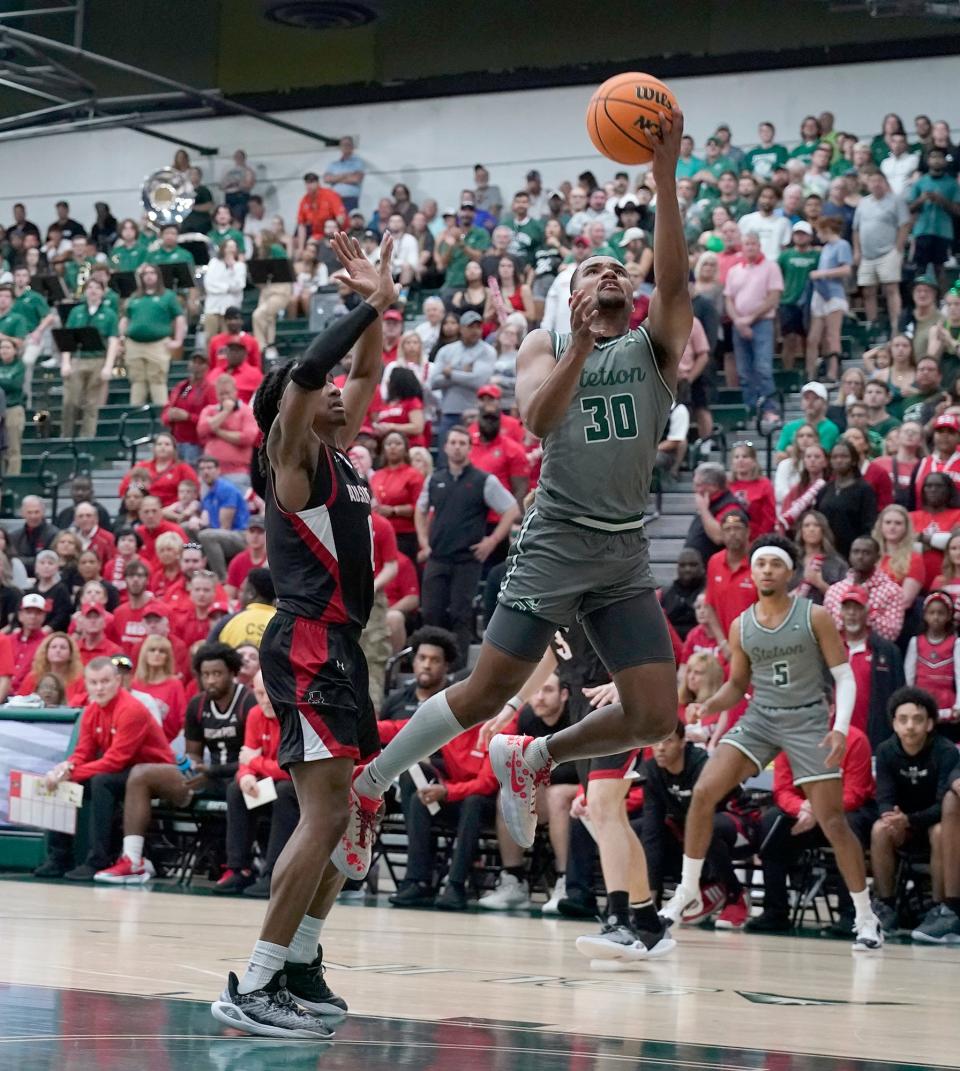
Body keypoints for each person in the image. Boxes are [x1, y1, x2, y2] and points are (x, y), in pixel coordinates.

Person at [336, 109, 691, 964]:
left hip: (621, 547)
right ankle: (372, 783)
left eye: (620, 266)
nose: (614, 272)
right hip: (557, 537)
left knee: (652, 713)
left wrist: (666, 178)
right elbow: (535, 416)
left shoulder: (654, 347)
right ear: (571, 299)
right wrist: (573, 341)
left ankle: (535, 756)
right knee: (482, 688)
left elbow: (675, 283)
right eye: (596, 268)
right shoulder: (543, 346)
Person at [207, 232, 395, 1037]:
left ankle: (301, 961)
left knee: (353, 813)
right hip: (310, 641)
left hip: (343, 644)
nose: (337, 396)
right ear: (292, 404)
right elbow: (320, 369)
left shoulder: (342, 453)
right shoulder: (291, 456)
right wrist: (365, 305)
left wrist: (381, 301)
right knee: (321, 817)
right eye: (315, 392)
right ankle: (254, 983)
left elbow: (367, 370)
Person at [666, 535, 883, 949]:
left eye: (774, 564)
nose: (766, 569)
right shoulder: (741, 625)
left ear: (789, 572)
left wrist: (839, 727)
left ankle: (866, 917)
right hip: (760, 718)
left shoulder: (814, 615)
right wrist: (707, 704)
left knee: (833, 821)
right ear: (752, 571)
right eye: (760, 563)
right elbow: (736, 686)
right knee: (703, 793)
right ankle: (687, 890)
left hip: (807, 720)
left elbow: (844, 676)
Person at [94, 642, 257, 885]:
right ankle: (134, 860)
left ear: (232, 673)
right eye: (205, 675)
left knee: (241, 786)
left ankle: (243, 865)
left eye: (217, 674)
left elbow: (254, 758)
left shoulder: (249, 702)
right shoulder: (198, 705)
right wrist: (190, 768)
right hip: (211, 777)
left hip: (245, 777)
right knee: (140, 774)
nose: (211, 680)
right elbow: (194, 754)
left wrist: (212, 771)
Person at [748, 724, 877, 933]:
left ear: (833, 709)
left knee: (850, 826)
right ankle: (775, 911)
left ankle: (851, 913)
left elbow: (856, 793)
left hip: (846, 812)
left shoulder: (855, 739)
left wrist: (821, 809)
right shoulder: (787, 740)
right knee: (772, 824)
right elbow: (782, 791)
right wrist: (801, 807)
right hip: (804, 813)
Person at [415, 427, 520, 663]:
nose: (457, 447)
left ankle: (457, 670)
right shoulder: (434, 479)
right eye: (452, 442)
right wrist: (424, 542)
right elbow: (420, 510)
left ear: (470, 448)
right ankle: (431, 663)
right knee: (431, 612)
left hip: (467, 560)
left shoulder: (484, 480)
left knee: (461, 615)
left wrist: (492, 542)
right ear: (445, 447)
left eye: (462, 443)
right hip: (437, 557)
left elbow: (511, 509)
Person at [870, 687, 959, 933]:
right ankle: (885, 906)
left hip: (933, 823)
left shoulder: (946, 751)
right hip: (903, 826)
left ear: (930, 724)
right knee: (880, 828)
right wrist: (893, 819)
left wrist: (909, 820)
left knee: (940, 831)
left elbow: (945, 806)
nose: (910, 726)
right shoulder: (885, 751)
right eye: (903, 720)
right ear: (894, 724)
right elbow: (884, 798)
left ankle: (941, 908)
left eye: (918, 720)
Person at [216, 671, 300, 898]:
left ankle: (273, 874)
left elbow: (292, 770)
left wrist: (254, 762)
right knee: (237, 790)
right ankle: (239, 869)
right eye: (259, 694)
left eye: (269, 694)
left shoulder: (296, 716)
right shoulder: (255, 714)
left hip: (301, 790)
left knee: (285, 791)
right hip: (270, 785)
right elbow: (245, 758)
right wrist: (246, 776)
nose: (264, 700)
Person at [723, 232, 783, 429]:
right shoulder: (734, 270)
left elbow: (773, 297)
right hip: (738, 324)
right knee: (744, 371)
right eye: (747, 244)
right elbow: (728, 299)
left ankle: (770, 409)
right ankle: (751, 410)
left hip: (762, 323)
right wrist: (739, 321)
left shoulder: (770, 267)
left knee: (763, 368)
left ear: (759, 245)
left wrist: (750, 318)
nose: (749, 247)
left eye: (753, 244)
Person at [119, 263, 186, 407]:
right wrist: (122, 337)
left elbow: (179, 318)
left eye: (152, 273)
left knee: (158, 380)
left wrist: (178, 340)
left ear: (158, 276)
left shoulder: (167, 296)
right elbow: (125, 318)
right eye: (145, 274)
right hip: (134, 345)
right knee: (137, 381)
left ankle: (162, 417)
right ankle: (135, 419)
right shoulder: (134, 297)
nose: (149, 276)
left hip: (158, 344)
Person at [853, 172, 911, 331]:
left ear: (885, 183)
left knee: (891, 289)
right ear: (868, 184)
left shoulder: (896, 200)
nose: (876, 184)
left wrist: (898, 248)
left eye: (879, 180)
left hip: (888, 252)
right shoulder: (863, 203)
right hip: (866, 255)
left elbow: (905, 224)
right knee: (867, 290)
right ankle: (873, 324)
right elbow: (856, 229)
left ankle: (895, 326)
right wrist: (857, 251)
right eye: (872, 181)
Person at [824, 536, 906, 644]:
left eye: (866, 553)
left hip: (874, 652)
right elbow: (826, 630)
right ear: (849, 555)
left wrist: (864, 614)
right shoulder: (834, 591)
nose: (860, 557)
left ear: (877, 557)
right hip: (839, 652)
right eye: (855, 552)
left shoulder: (892, 591)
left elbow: (890, 633)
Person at [904, 591, 960, 727]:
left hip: (946, 706)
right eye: (932, 612)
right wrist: (910, 701)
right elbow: (909, 677)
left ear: (948, 616)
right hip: (921, 702)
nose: (936, 617)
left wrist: (958, 706)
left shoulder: (955, 643)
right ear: (925, 615)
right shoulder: (915, 642)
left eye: (941, 613)